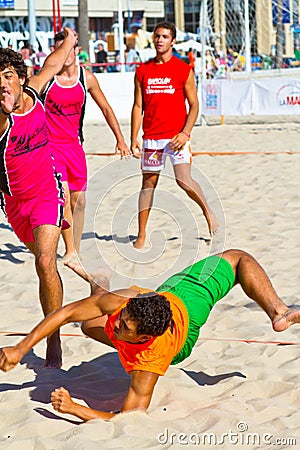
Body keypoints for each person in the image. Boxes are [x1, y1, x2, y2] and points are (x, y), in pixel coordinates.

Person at [0, 249, 299, 421]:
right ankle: (99, 288)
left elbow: (128, 417)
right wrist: (20, 348)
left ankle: (278, 313)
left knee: (238, 259)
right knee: (89, 324)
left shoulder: (149, 362)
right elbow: (63, 313)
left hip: (186, 317)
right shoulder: (127, 303)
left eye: (125, 328)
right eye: (122, 319)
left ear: (142, 339)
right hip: (170, 291)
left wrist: (75, 408)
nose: (117, 324)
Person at [0, 27, 78, 368]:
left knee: (46, 262)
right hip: (15, 204)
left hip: (47, 191)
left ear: (20, 78)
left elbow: (54, 61)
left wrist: (70, 41)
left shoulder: (36, 92)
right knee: (46, 266)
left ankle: (54, 337)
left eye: (7, 77)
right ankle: (89, 287)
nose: (3, 84)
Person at [42, 32, 130, 262]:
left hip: (75, 147)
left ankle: (75, 246)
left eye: (68, 48)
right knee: (62, 196)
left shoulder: (86, 78)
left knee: (79, 201)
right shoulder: (47, 79)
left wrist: (120, 139)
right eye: (59, 49)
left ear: (76, 49)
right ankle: (69, 249)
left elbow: (107, 109)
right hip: (50, 149)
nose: (64, 54)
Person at [130, 21, 218, 249]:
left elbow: (194, 105)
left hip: (176, 137)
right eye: (157, 36)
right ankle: (141, 234)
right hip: (152, 137)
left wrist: (185, 133)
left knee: (184, 181)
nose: (160, 40)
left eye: (165, 36)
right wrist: (133, 138)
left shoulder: (183, 69)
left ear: (173, 41)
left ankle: (208, 213)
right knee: (148, 184)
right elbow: (137, 106)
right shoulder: (143, 71)